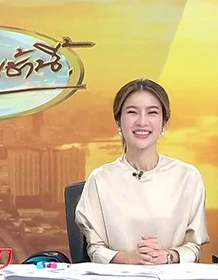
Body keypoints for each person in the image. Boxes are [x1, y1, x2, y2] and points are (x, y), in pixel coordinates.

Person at [75, 78, 209, 264]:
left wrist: (166, 256)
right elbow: (95, 248)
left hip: (173, 279)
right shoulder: (100, 180)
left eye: (152, 112)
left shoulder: (188, 177)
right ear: (118, 121)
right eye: (132, 112)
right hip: (117, 278)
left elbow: (193, 247)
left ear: (164, 122)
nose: (142, 121)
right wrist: (130, 258)